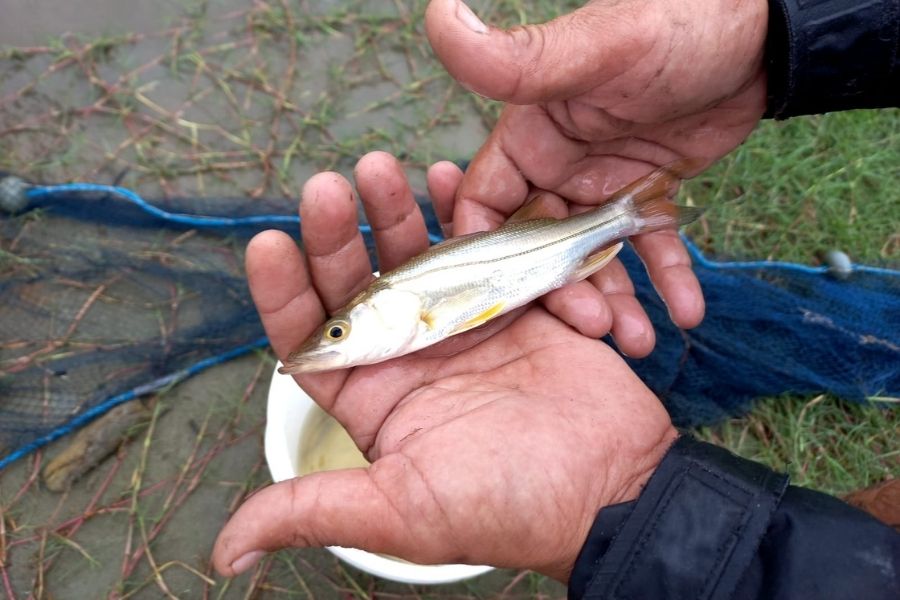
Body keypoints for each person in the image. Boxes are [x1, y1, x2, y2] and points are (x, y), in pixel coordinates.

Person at [212, 0, 900, 597]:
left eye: (338, 333)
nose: (334, 343)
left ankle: (632, 212)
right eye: (336, 336)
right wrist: (768, 37)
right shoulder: (405, 318)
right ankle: (633, 212)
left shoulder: (414, 313)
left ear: (381, 308)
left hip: (561, 249)